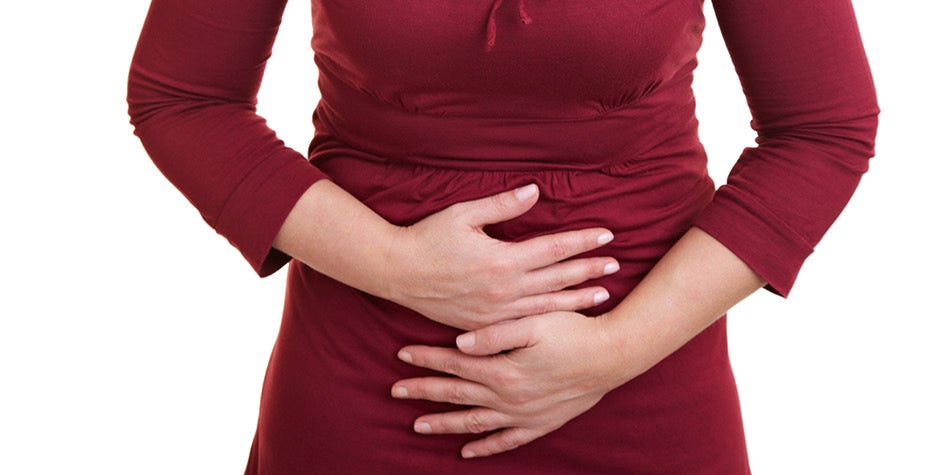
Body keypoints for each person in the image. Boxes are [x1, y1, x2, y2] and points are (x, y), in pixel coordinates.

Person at [128, 0, 878, 473]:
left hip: (646, 369)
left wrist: (612, 353)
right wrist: (398, 266)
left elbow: (823, 129)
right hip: (368, 377)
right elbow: (185, 98)